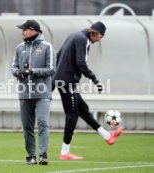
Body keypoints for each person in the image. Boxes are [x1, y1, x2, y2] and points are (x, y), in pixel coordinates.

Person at [52, 21, 123, 160]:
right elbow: (81, 63)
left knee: (83, 109)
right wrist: (95, 79)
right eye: (100, 36)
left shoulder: (73, 35)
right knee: (72, 116)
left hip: (63, 80)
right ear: (95, 33)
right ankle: (64, 152)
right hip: (67, 82)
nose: (100, 40)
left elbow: (58, 56)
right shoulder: (83, 40)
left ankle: (108, 136)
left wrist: (54, 78)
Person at [11, 20, 55, 165]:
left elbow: (51, 69)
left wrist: (33, 71)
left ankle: (43, 155)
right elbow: (13, 67)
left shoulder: (47, 47)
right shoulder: (19, 47)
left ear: (33, 30)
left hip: (42, 94)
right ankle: (31, 156)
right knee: (27, 127)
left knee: (43, 123)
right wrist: (19, 73)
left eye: (24, 29)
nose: (22, 32)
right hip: (25, 94)